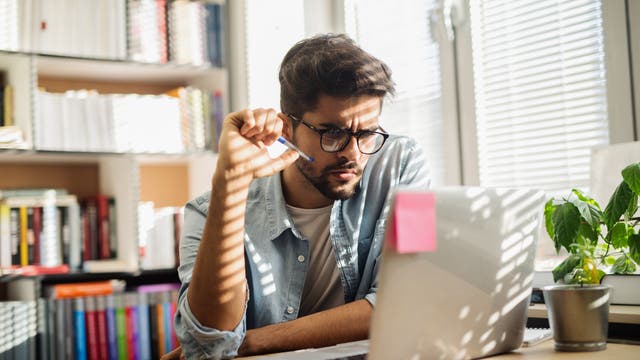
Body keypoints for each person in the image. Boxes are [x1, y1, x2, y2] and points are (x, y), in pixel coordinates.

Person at [172, 33, 431, 359]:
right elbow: (209, 344)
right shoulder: (206, 212)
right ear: (286, 130)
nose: (353, 153)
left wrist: (252, 342)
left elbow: (410, 300)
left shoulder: (403, 163)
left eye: (366, 133)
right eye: (332, 133)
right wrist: (231, 182)